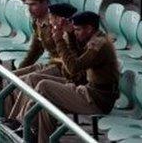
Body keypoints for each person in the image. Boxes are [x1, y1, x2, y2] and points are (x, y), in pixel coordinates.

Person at [22, 11, 120, 142]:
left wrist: (59, 39)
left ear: (90, 29)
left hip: (97, 99)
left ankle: (21, 126)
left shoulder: (98, 45)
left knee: (44, 86)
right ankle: (32, 134)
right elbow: (77, 57)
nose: (76, 33)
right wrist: (69, 34)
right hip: (89, 91)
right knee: (46, 105)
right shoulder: (94, 38)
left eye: (78, 30)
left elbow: (73, 67)